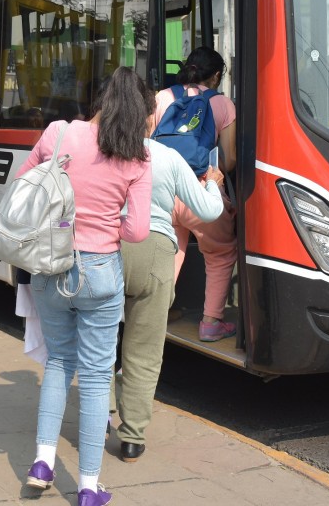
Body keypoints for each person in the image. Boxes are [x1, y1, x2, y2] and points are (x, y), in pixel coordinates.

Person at [21, 67, 153, 506]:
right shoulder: (137, 158)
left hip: (50, 265)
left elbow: (24, 185)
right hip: (99, 271)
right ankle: (89, 487)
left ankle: (42, 461)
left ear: (101, 99)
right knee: (96, 379)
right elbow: (135, 232)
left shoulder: (59, 133)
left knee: (58, 361)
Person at [112, 88, 226, 463]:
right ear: (150, 118)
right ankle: (131, 437)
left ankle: (97, 418)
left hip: (105, 250)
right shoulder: (167, 156)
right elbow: (208, 211)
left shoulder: (102, 151)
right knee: (144, 349)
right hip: (155, 252)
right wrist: (214, 182)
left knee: (99, 344)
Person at [156, 46, 238, 343]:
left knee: (170, 250)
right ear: (216, 75)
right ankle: (211, 322)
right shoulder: (223, 104)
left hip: (165, 192)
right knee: (220, 252)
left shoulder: (163, 97)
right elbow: (229, 160)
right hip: (201, 190)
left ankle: (156, 313)